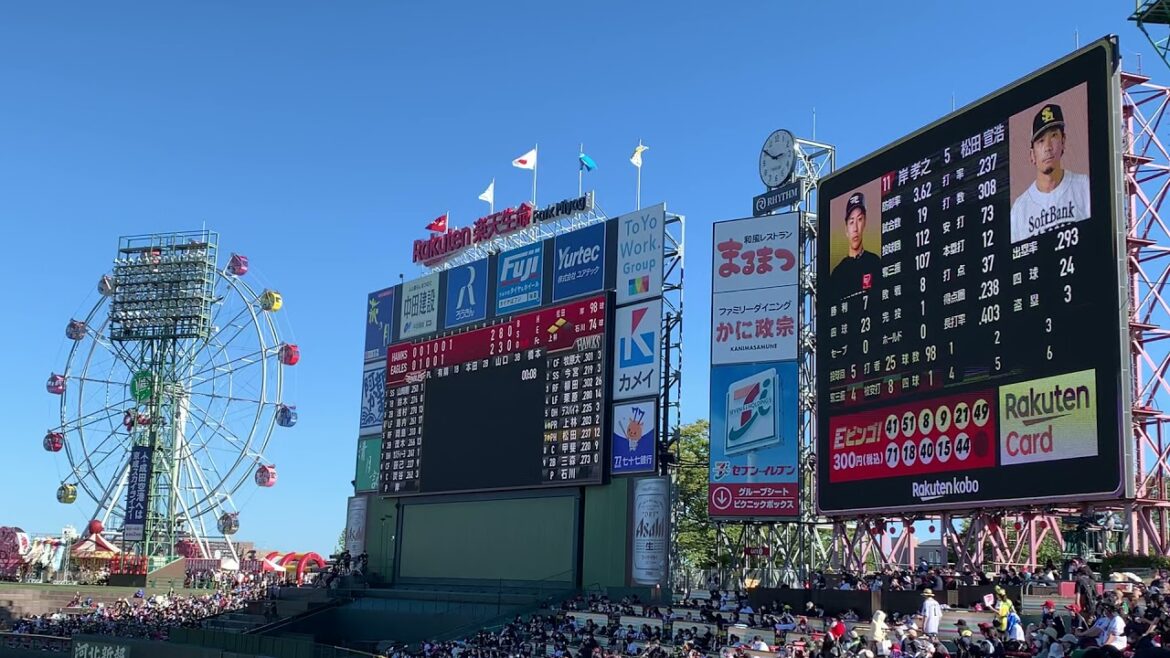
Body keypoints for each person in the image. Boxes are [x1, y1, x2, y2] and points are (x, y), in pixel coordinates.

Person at [1009, 102, 1092, 243]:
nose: (1048, 147)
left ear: (1063, 141)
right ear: (1032, 154)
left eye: (1053, 136)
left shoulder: (1084, 186)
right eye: (1041, 141)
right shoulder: (1019, 209)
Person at [830, 191, 881, 299]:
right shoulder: (837, 272)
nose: (855, 228)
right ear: (846, 228)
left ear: (865, 222)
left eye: (860, 219)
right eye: (851, 222)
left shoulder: (874, 262)